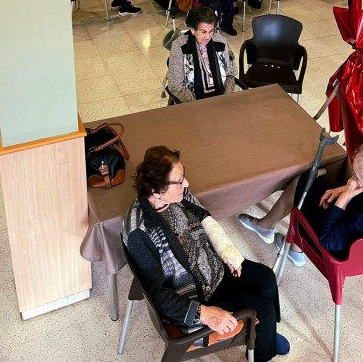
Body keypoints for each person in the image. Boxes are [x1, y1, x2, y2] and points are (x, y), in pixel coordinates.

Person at [122, 146, 290, 362]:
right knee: (263, 309)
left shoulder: (178, 197)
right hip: (196, 295)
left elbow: (205, 218)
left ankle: (265, 336)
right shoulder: (140, 232)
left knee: (266, 278)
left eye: (184, 176)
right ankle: (264, 348)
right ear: (156, 190)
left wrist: (226, 252)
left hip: (213, 269)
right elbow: (158, 296)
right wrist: (206, 314)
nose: (186, 184)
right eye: (179, 181)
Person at [238, 143, 363, 263]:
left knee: (304, 182)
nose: (350, 181)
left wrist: (344, 198)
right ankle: (294, 249)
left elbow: (327, 240)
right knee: (324, 190)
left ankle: (267, 227)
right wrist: (342, 190)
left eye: (356, 179)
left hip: (340, 251)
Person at [167, 7, 236, 102]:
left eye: (211, 31)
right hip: (193, 103)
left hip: (222, 100)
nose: (207, 36)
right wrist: (197, 105)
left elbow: (230, 75)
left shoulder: (221, 41)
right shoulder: (179, 46)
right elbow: (175, 85)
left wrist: (226, 99)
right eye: (203, 31)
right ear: (192, 29)